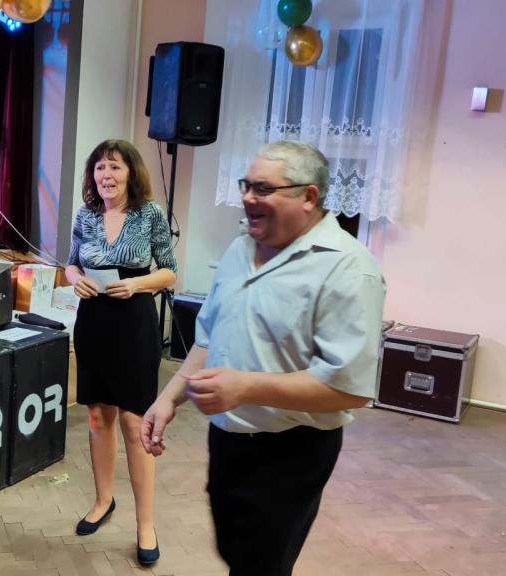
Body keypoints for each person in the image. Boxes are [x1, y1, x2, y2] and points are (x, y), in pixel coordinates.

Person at [140, 140, 385, 575]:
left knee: (261, 566)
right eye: (247, 185)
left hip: (292, 450)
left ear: (308, 196)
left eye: (264, 188)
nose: (248, 197)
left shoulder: (348, 268)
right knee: (236, 554)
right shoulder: (239, 250)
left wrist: (246, 387)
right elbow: (210, 337)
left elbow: (349, 389)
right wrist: (168, 398)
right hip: (228, 439)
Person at [64, 139, 177, 566]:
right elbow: (72, 262)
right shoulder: (86, 215)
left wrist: (137, 284)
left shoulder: (150, 214)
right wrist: (74, 278)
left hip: (133, 323)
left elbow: (169, 272)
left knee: (134, 422)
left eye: (114, 167)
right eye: (99, 168)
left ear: (131, 172)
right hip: (93, 322)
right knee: (98, 416)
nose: (106, 175)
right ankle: (102, 501)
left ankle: (145, 524)